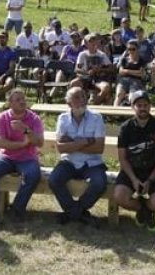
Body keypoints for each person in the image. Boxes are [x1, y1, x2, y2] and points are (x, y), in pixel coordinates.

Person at [0, 89, 44, 231]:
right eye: (18, 100)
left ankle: (17, 209)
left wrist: (25, 130)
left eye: (23, 99)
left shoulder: (34, 119)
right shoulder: (3, 118)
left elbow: (39, 143)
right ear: (10, 103)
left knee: (33, 175)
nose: (22, 102)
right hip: (6, 156)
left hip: (27, 158)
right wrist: (22, 144)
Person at [48, 86, 107, 226]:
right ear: (68, 103)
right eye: (76, 97)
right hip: (69, 161)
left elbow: (99, 148)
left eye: (83, 96)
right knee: (54, 180)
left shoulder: (96, 118)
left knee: (100, 183)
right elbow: (61, 148)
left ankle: (72, 213)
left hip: (92, 163)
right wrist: (87, 141)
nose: (82, 100)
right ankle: (80, 213)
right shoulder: (62, 119)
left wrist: (72, 143)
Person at [113, 90, 155, 228]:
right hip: (131, 170)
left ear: (150, 106)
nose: (143, 108)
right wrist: (133, 179)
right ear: (133, 107)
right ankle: (143, 209)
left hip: (154, 171)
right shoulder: (125, 128)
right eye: (139, 105)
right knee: (119, 197)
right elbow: (123, 159)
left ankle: (148, 208)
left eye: (145, 105)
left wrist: (150, 181)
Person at [114, 40, 148, 106]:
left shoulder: (141, 60)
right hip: (123, 81)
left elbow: (142, 74)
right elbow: (120, 72)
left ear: (137, 49)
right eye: (129, 49)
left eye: (133, 49)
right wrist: (135, 72)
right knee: (119, 95)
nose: (131, 51)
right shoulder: (124, 59)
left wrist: (126, 71)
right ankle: (114, 114)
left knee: (132, 97)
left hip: (136, 81)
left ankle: (131, 114)